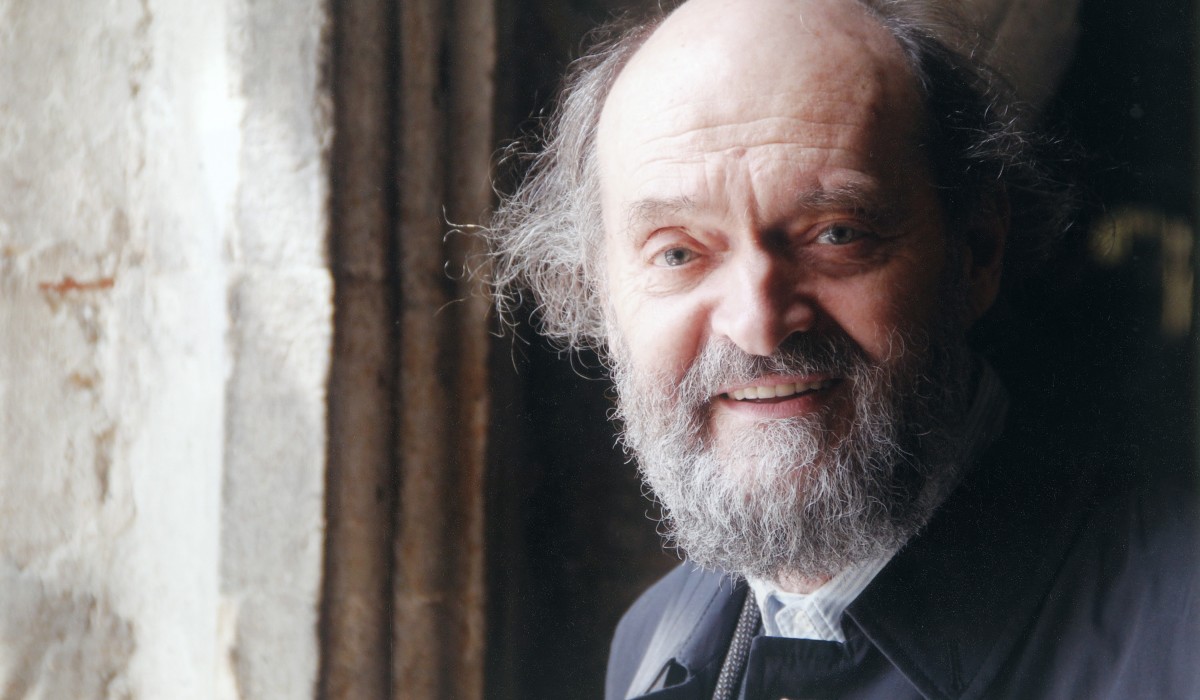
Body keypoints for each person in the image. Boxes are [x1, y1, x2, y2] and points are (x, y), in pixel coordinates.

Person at [484, 0, 1200, 697]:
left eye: (836, 233)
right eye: (677, 253)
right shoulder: (652, 644)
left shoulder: (1181, 624)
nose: (758, 324)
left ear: (976, 250)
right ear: (600, 292)